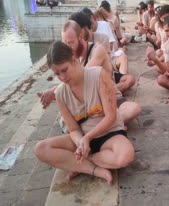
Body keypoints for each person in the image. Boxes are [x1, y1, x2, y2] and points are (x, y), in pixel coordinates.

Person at [34, 41, 135, 183]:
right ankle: (95, 169)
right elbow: (73, 129)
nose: (62, 77)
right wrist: (81, 143)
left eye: (64, 70)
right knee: (41, 149)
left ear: (74, 60)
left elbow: (111, 116)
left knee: (126, 155)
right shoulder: (61, 93)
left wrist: (87, 139)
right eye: (57, 74)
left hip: (108, 133)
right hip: (82, 137)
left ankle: (83, 162)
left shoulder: (99, 76)